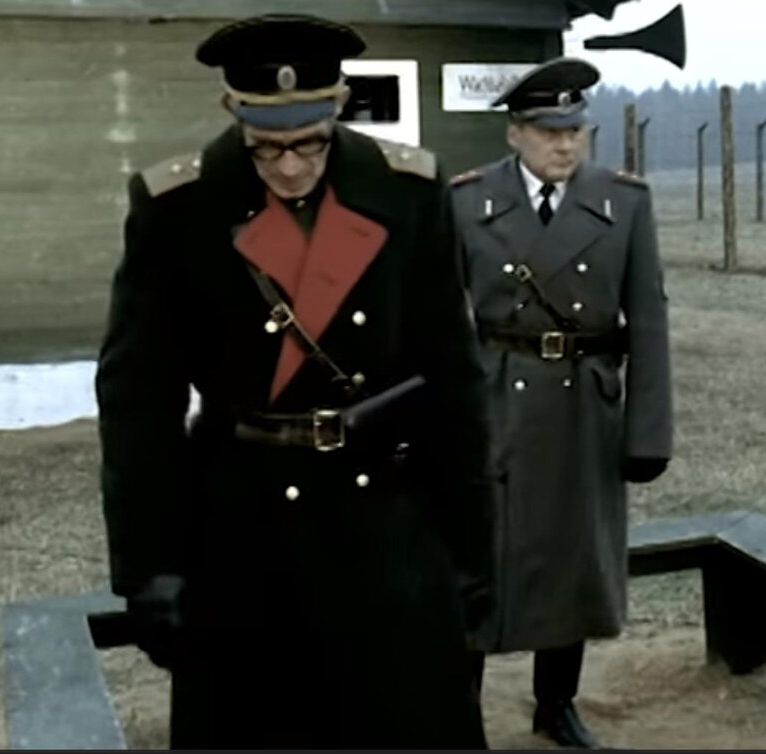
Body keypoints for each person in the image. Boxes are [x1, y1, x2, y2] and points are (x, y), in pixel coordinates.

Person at [94, 13, 492, 749]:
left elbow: (455, 379)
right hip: (240, 532)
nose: (287, 167)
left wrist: (472, 549)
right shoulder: (179, 207)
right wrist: (149, 568)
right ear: (233, 115)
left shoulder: (407, 192)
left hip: (386, 523)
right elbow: (137, 401)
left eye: (308, 143)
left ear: (338, 109)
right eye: (265, 147)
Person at [449, 57, 674, 749]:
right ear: (515, 132)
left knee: (573, 556)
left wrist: (648, 433)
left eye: (575, 130)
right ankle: (460, 711)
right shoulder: (466, 201)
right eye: (549, 131)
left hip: (584, 405)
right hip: (494, 397)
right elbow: (438, 324)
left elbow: (649, 319)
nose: (565, 144)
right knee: (478, 554)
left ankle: (556, 703)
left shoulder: (623, 202)